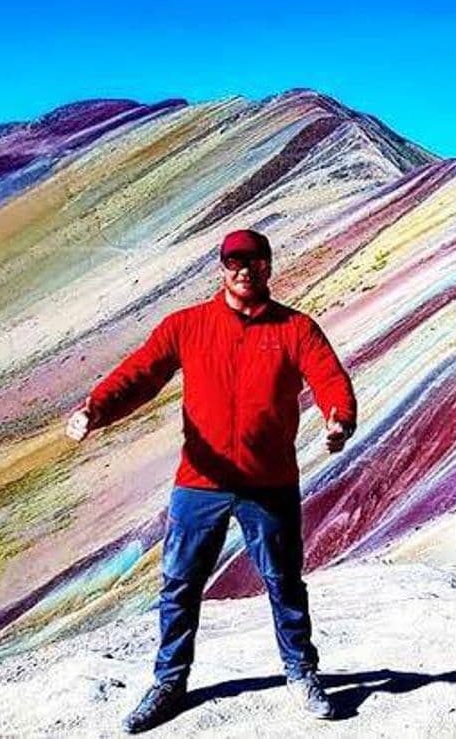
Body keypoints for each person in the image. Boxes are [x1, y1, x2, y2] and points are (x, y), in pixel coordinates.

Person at [65, 228, 358, 733]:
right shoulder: (188, 325)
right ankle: (169, 683)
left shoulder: (295, 330)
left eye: (254, 260)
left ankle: (301, 672)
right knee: (179, 585)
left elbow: (330, 378)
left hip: (269, 484)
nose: (243, 269)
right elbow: (141, 374)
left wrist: (339, 419)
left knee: (284, 583)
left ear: (268, 266)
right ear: (222, 268)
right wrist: (96, 409)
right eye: (233, 261)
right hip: (199, 483)